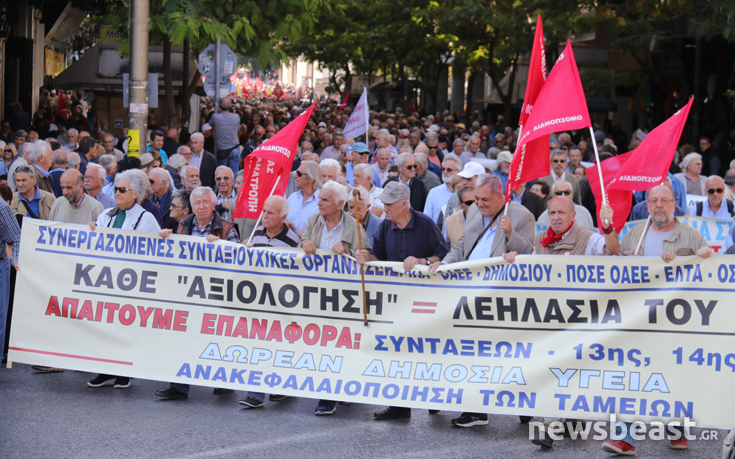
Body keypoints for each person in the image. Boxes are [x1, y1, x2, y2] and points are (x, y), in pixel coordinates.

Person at [603, 185, 710, 456]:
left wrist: (696, 259)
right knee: (631, 375)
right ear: (647, 205)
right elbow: (613, 266)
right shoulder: (634, 234)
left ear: (675, 204)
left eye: (665, 200)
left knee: (673, 374)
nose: (659, 205)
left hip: (676, 323)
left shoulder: (692, 236)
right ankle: (625, 437)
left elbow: (709, 273)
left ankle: (677, 429)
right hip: (637, 319)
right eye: (654, 201)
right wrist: (625, 261)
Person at [429, 174, 535, 428]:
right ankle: (477, 409)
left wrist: (511, 234)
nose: (479, 204)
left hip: (500, 295)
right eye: (475, 199)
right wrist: (444, 263)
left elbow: (530, 252)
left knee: (505, 354)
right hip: (469, 291)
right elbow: (464, 243)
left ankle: (525, 401)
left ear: (501, 196)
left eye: (485, 199)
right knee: (473, 351)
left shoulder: (523, 216)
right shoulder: (476, 212)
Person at [356, 181, 448, 420]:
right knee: (396, 350)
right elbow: (379, 257)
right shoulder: (386, 227)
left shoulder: (425, 223)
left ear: (404, 204)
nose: (384, 208)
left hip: (425, 301)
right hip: (395, 302)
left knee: (426, 351)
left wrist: (422, 260)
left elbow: (443, 254)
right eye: (383, 203)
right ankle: (399, 405)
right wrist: (366, 256)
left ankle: (433, 398)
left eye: (389, 204)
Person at [155, 186, 238, 400]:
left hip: (217, 292)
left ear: (213, 205)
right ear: (191, 207)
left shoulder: (228, 228)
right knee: (183, 335)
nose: (201, 207)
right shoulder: (182, 226)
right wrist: (166, 236)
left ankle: (223, 380)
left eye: (205, 202)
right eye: (197, 203)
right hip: (188, 291)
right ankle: (179, 386)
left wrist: (221, 247)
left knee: (218, 336)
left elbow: (238, 260)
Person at [86, 169, 161, 389]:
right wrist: (91, 231)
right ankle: (106, 369)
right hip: (106, 280)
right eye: (116, 189)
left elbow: (157, 251)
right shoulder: (106, 214)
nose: (116, 193)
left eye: (122, 189)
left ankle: (123, 372)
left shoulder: (146, 219)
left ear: (136, 194)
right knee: (105, 326)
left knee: (124, 327)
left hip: (131, 283)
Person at [301, 180, 370, 416]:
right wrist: (305, 242)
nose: (319, 203)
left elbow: (369, 256)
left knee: (339, 344)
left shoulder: (353, 225)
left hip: (344, 296)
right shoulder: (313, 220)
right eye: (319, 198)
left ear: (340, 204)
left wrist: (351, 253)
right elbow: (303, 241)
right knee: (321, 344)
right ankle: (330, 390)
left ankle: (330, 395)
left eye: (324, 200)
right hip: (315, 293)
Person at [238, 195, 299, 410]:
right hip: (257, 302)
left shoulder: (293, 242)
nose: (264, 216)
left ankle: (281, 387)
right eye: (263, 211)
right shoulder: (255, 234)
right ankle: (256, 393)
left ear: (283, 217)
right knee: (259, 345)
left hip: (282, 304)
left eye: (270, 213)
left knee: (279, 346)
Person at [286, 161, 321, 237]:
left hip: (310, 246)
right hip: (288, 245)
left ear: (311, 179)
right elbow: (282, 219)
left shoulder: (322, 200)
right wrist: (284, 225)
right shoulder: (293, 197)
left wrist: (308, 234)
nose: (295, 176)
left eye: (299, 174)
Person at [424, 154, 462, 222]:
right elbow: (427, 218)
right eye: (443, 169)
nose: (445, 172)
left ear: (458, 171)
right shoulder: (434, 192)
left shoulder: (464, 192)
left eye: (449, 170)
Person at [209, 97, 242, 173]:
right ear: (230, 106)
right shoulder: (236, 117)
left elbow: (210, 124)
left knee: (222, 173)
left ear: (220, 105)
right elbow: (238, 129)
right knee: (234, 174)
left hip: (222, 149)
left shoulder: (215, 117)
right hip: (234, 148)